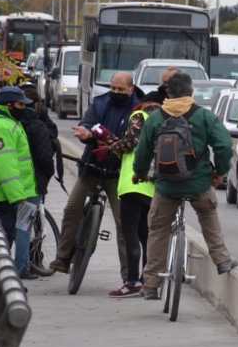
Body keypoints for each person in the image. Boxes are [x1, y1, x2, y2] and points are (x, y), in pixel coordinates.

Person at [133, 72, 238, 300]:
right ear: (191, 92)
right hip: (198, 183)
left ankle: (150, 284)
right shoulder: (204, 117)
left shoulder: (156, 118)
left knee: (158, 229)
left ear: (167, 93)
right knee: (208, 215)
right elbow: (223, 146)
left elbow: (142, 153)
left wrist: (139, 174)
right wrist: (219, 172)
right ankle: (222, 260)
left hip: (167, 186)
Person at [49, 72, 140, 283]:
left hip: (118, 175)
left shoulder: (138, 110)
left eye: (121, 89)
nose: (116, 93)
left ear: (131, 89)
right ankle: (63, 258)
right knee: (72, 208)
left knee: (124, 223)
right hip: (91, 168)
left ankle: (129, 276)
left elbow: (133, 140)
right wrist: (85, 133)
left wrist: (112, 142)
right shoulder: (100, 103)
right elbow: (87, 124)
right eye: (113, 88)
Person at [104, 95, 161, 298]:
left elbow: (130, 142)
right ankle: (147, 281)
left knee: (130, 237)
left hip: (132, 184)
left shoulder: (139, 115)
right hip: (152, 188)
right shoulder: (162, 121)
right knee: (146, 236)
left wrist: (112, 146)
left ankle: (131, 282)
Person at [0, 86, 38, 279]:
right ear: (8, 105)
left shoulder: (7, 122)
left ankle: (0, 281)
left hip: (6, 193)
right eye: (21, 104)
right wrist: (18, 197)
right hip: (3, 195)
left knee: (4, 239)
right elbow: (5, 166)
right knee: (3, 240)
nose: (24, 108)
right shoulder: (0, 126)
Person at [16, 84, 57, 278]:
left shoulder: (9, 122)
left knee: (12, 226)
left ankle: (22, 263)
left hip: (11, 183)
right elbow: (45, 156)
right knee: (26, 226)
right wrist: (48, 174)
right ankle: (24, 265)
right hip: (32, 184)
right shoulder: (37, 124)